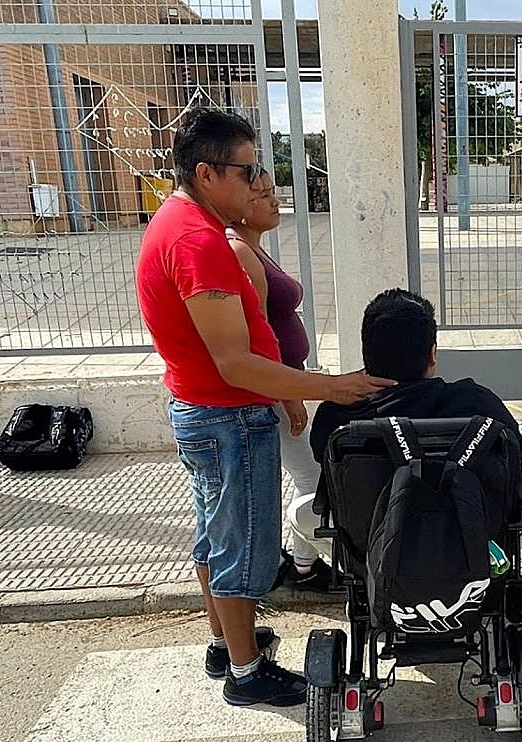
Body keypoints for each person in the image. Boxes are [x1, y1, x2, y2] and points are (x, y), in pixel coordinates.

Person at [135, 107, 393, 708]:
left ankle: (227, 643)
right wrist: (326, 386)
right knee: (243, 545)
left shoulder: (178, 220)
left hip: (205, 409)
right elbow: (233, 359)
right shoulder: (198, 241)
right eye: (247, 171)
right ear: (206, 172)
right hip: (227, 414)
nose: (257, 184)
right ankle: (248, 674)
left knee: (214, 536)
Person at [290, 289, 522, 555]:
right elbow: (516, 453)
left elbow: (326, 468)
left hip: (375, 540)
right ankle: (487, 564)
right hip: (465, 536)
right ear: (432, 355)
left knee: (300, 512)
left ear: (366, 353)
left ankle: (363, 571)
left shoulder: (336, 416)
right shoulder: (476, 402)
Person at [226, 170, 332, 591]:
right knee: (313, 476)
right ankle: (301, 566)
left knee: (310, 473)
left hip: (285, 382)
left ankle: (300, 563)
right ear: (240, 205)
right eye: (263, 194)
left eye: (273, 192)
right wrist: (287, 393)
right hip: (273, 388)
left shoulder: (255, 248)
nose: (275, 201)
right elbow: (258, 334)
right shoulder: (240, 252)